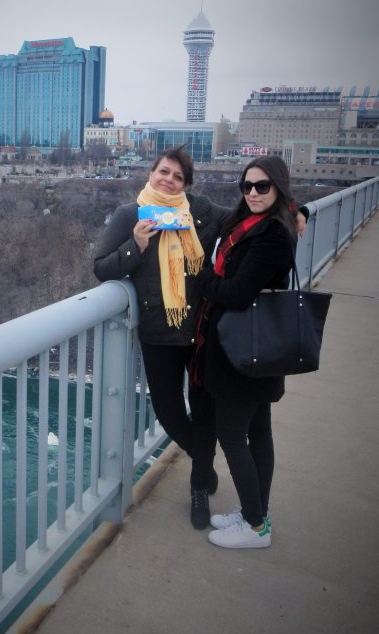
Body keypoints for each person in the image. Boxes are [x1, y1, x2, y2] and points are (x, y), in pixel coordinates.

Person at [93, 146, 230, 529]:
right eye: (163, 172)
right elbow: (101, 268)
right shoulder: (130, 215)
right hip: (160, 332)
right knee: (170, 414)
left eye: (178, 177)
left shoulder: (199, 211)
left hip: (202, 329)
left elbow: (242, 219)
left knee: (205, 410)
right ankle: (204, 459)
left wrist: (295, 212)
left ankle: (198, 487)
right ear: (151, 172)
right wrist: (134, 245)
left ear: (186, 184)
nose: (168, 180)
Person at [191, 155, 299, 549]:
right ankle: (257, 512)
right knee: (258, 432)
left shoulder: (273, 235)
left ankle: (255, 526)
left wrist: (200, 277)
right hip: (255, 349)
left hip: (246, 352)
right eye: (247, 186)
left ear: (279, 188)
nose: (253, 193)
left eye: (262, 186)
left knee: (232, 436)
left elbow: (237, 294)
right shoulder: (248, 219)